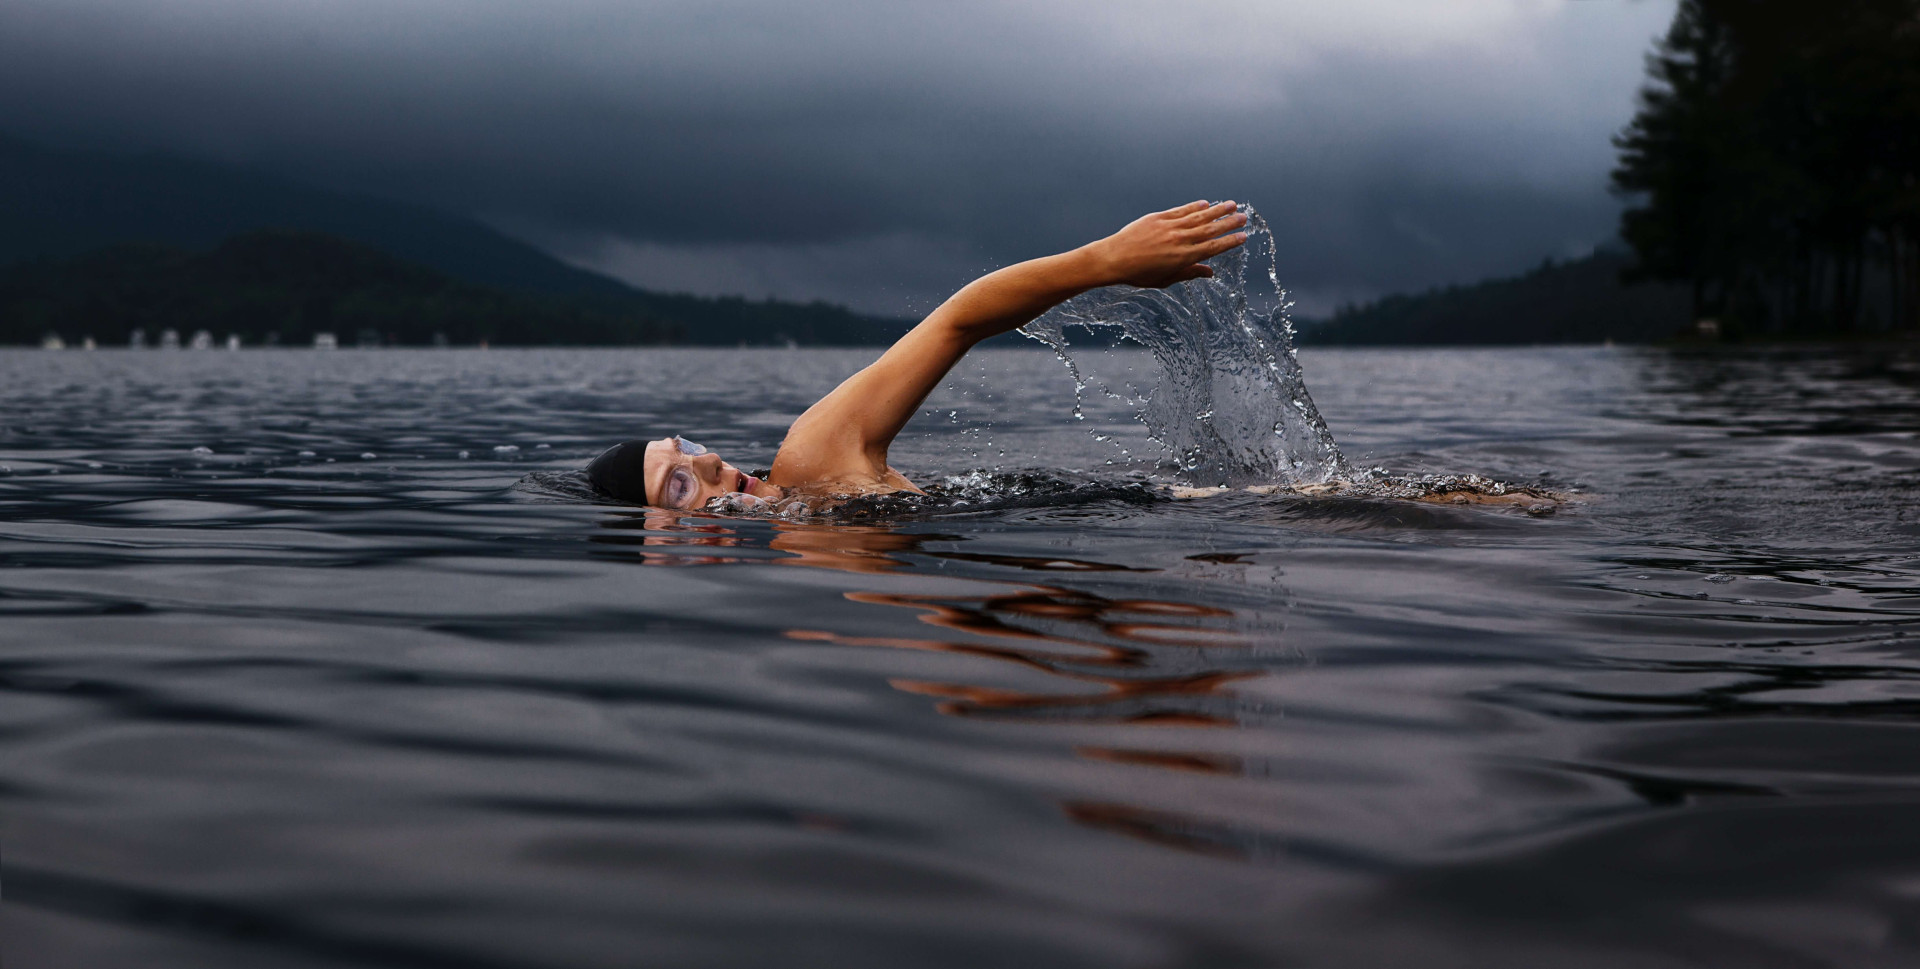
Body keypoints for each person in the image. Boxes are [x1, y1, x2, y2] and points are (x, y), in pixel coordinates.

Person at [586, 200, 1249, 510]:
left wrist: (1104, 261)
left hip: (1221, 508)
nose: (708, 460)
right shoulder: (802, 587)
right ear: (660, 543)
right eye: (679, 483)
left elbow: (956, 322)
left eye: (688, 447)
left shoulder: (812, 458)